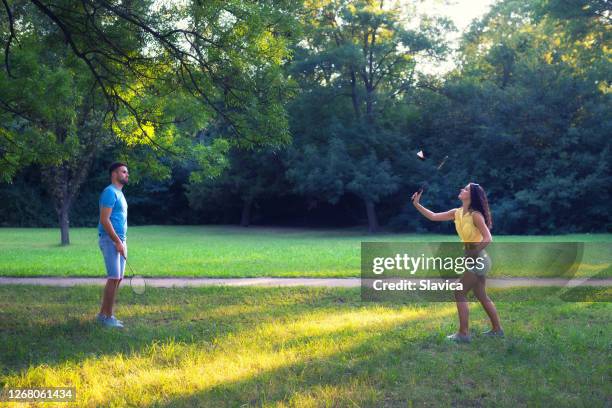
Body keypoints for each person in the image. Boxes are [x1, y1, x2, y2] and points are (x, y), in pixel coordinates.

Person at [412, 182, 504, 343]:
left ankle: (463, 334)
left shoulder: (476, 215)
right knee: (481, 295)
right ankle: (497, 330)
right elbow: (433, 216)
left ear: (472, 196)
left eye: (466, 189)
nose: (462, 189)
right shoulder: (457, 212)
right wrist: (417, 204)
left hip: (479, 260)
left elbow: (488, 237)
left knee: (459, 291)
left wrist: (472, 253)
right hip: (475, 259)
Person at [96, 162, 129, 328]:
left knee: (119, 278)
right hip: (110, 240)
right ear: (114, 174)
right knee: (113, 277)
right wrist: (117, 241)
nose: (127, 175)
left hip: (120, 240)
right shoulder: (109, 192)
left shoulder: (120, 194)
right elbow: (104, 219)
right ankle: (108, 318)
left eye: (126, 172)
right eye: (124, 172)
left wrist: (122, 241)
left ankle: (103, 314)